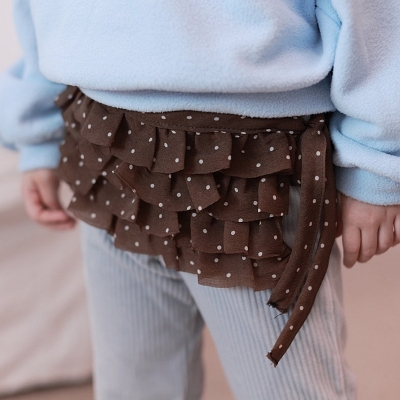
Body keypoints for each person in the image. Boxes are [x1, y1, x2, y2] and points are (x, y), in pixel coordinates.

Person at [1, 0, 400, 398]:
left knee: (288, 390)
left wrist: (376, 158)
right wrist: (37, 128)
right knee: (134, 386)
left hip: (250, 168)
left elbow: (378, 17)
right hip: (107, 143)